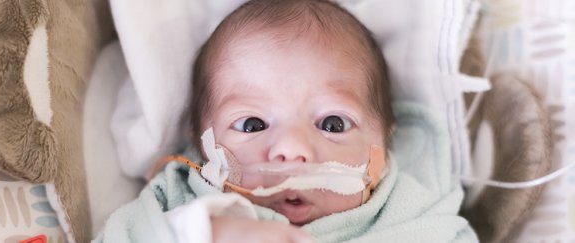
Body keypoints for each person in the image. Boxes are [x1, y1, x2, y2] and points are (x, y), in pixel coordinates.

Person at [95, 0, 477, 242]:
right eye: (252, 125)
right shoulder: (184, 199)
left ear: (385, 147)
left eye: (332, 124)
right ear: (200, 143)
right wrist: (211, 233)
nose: (291, 150)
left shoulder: (410, 215)